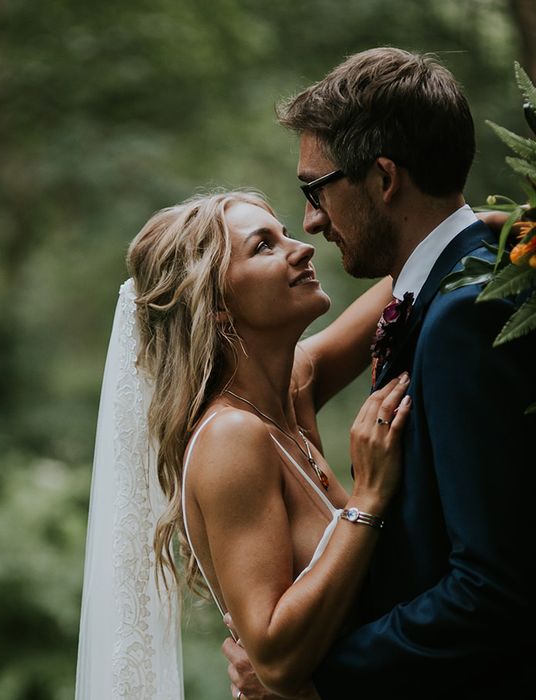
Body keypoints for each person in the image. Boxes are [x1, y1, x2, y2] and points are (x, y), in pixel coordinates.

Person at [223, 47, 535, 700]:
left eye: (316, 189)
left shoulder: (461, 319)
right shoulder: (464, 280)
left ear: (384, 177)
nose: (310, 222)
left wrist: (321, 676)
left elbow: (494, 587)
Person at [75, 187, 414, 700]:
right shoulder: (232, 438)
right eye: (264, 246)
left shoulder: (291, 388)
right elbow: (274, 658)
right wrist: (366, 500)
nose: (301, 248)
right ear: (216, 308)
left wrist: (492, 224)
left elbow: (414, 279)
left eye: (284, 236)